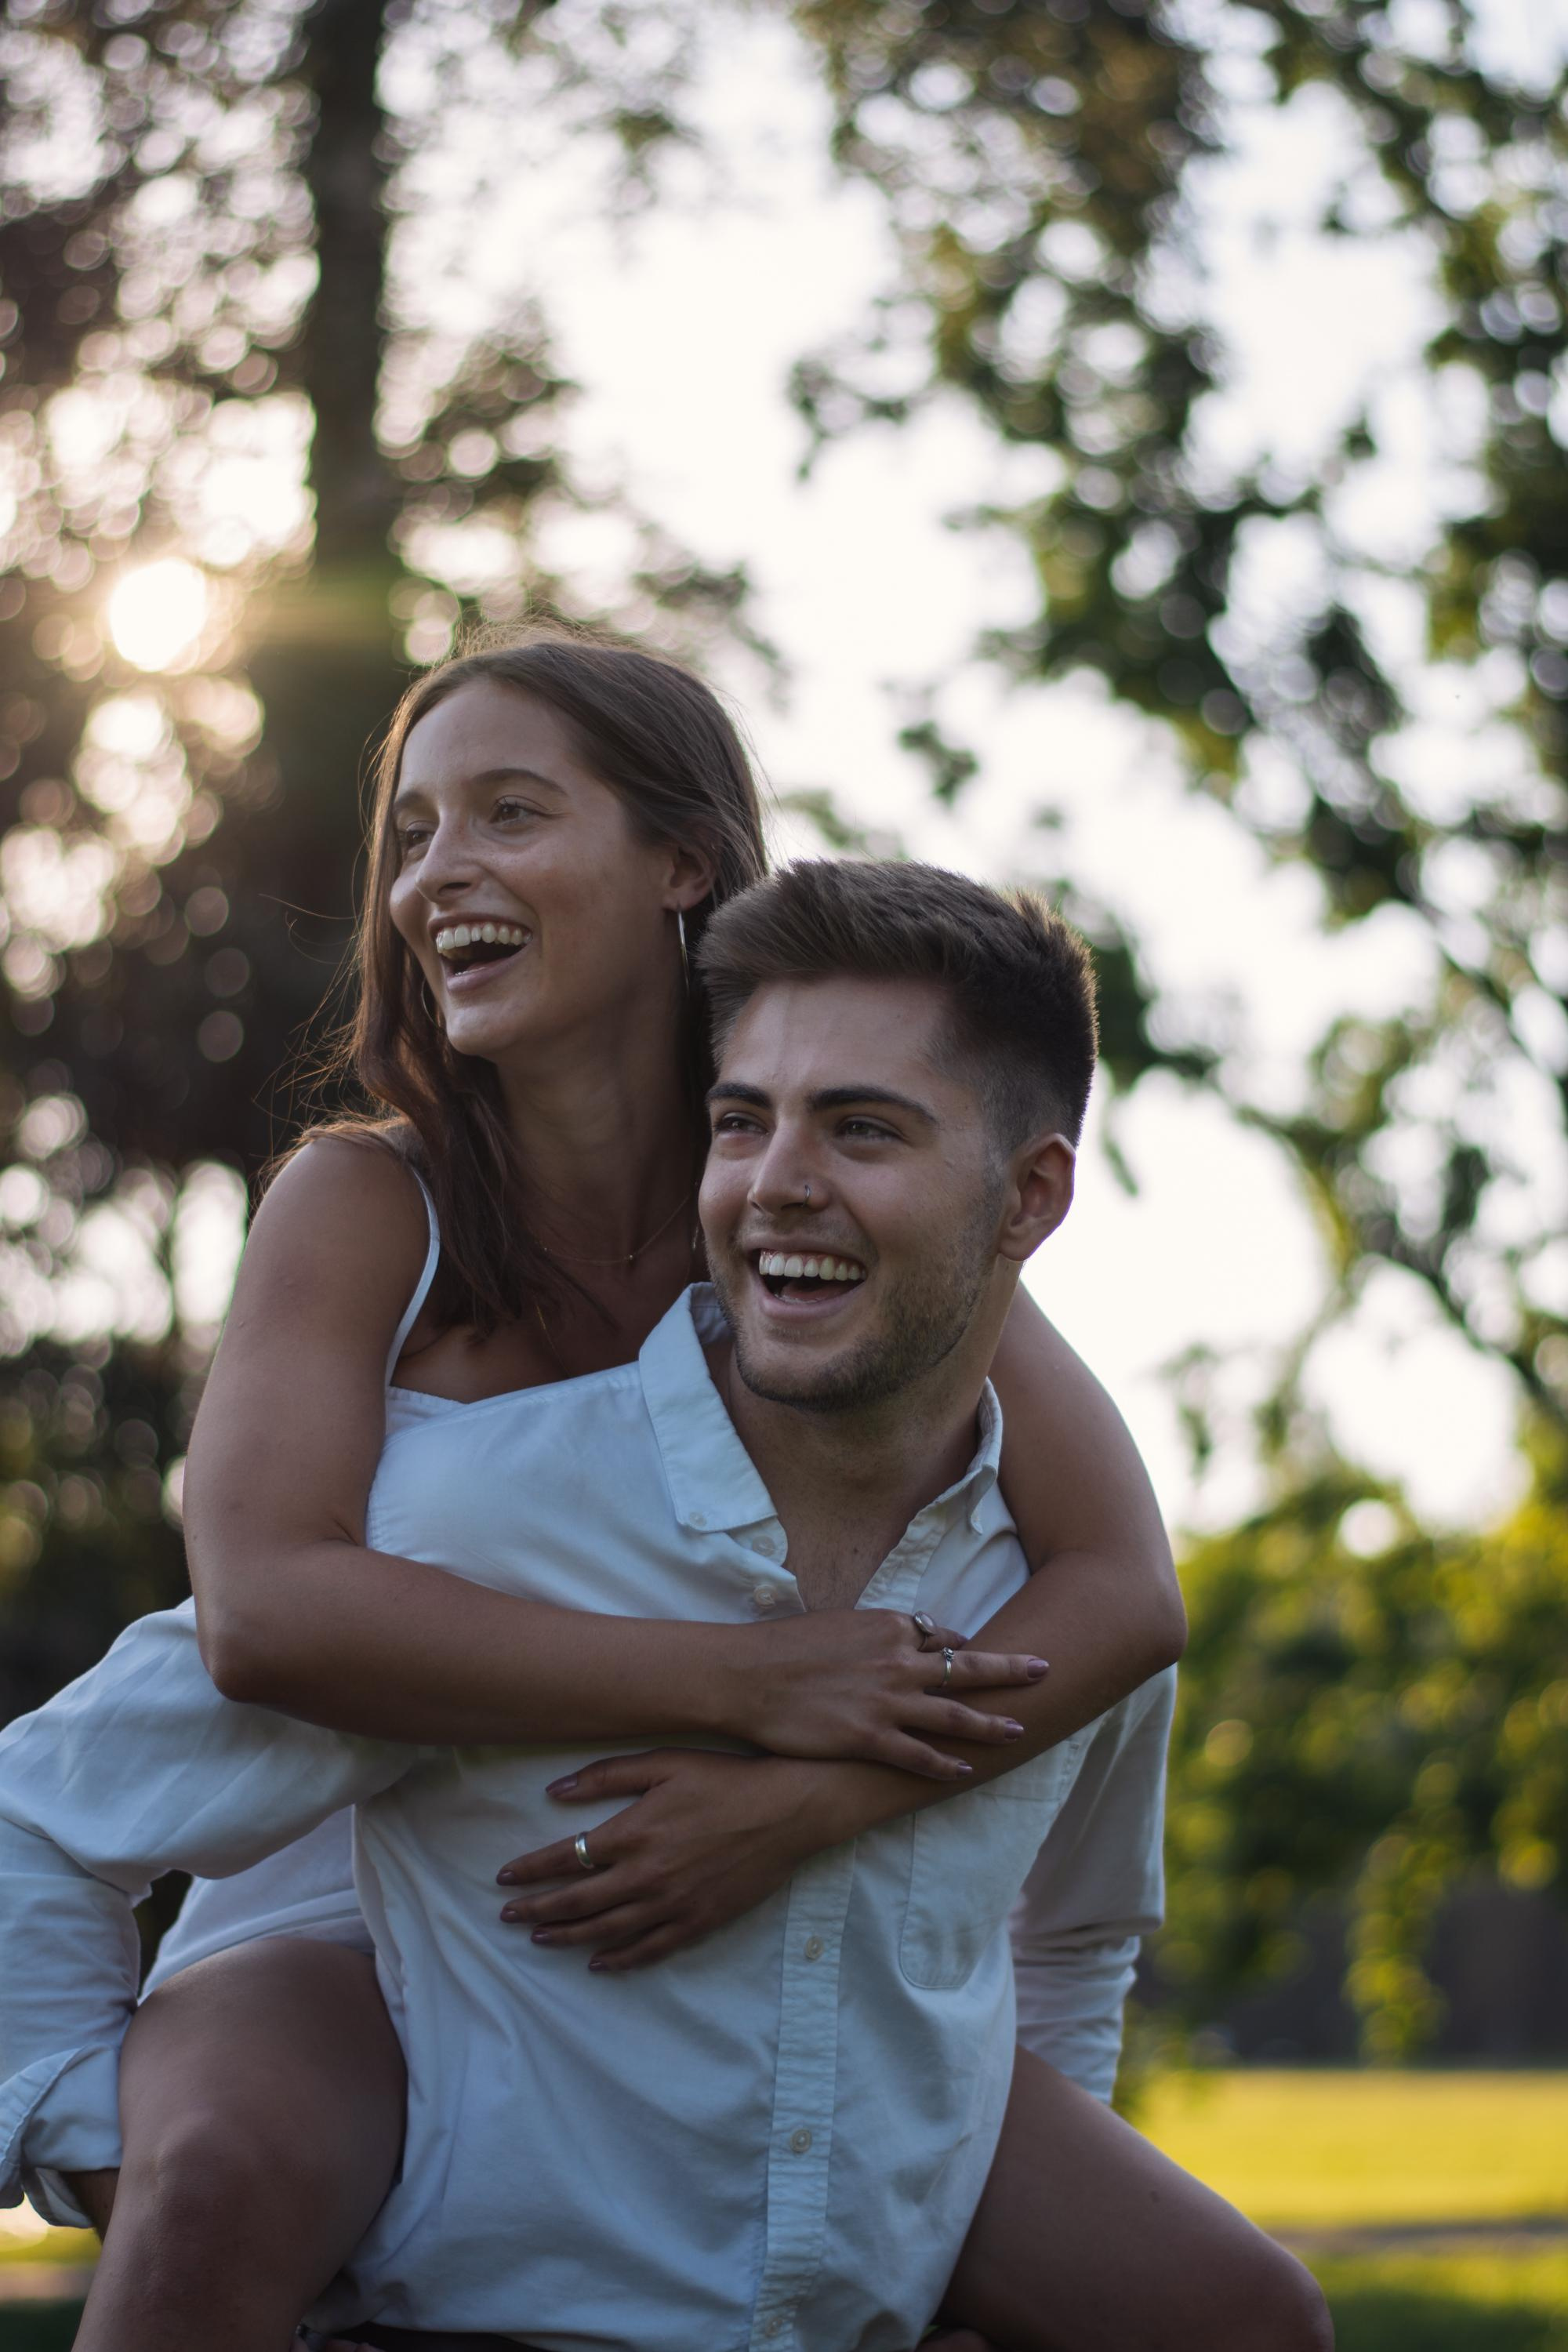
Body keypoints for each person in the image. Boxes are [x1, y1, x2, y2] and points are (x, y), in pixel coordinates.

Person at [0, 855, 1329, 2350]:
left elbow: (1069, 1945)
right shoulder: (481, 1518)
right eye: (743, 1121)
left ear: (1030, 1197)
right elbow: (41, 1810)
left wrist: (973, 2246)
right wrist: (104, 2159)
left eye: (865, 1129)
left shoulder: (1049, 1597)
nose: (781, 1182)